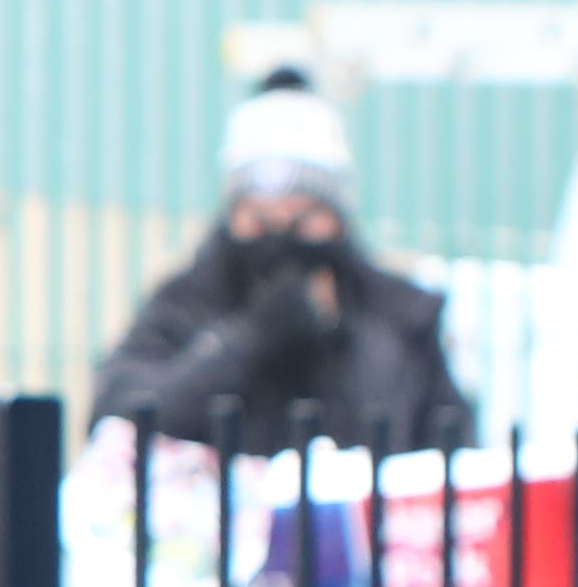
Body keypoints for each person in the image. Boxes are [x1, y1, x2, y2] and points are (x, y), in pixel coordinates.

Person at [87, 71, 473, 456]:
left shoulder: (400, 317)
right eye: (259, 219)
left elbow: (452, 447)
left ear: (337, 220)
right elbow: (119, 417)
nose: (281, 237)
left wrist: (339, 340)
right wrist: (249, 338)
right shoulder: (185, 304)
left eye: (303, 219)